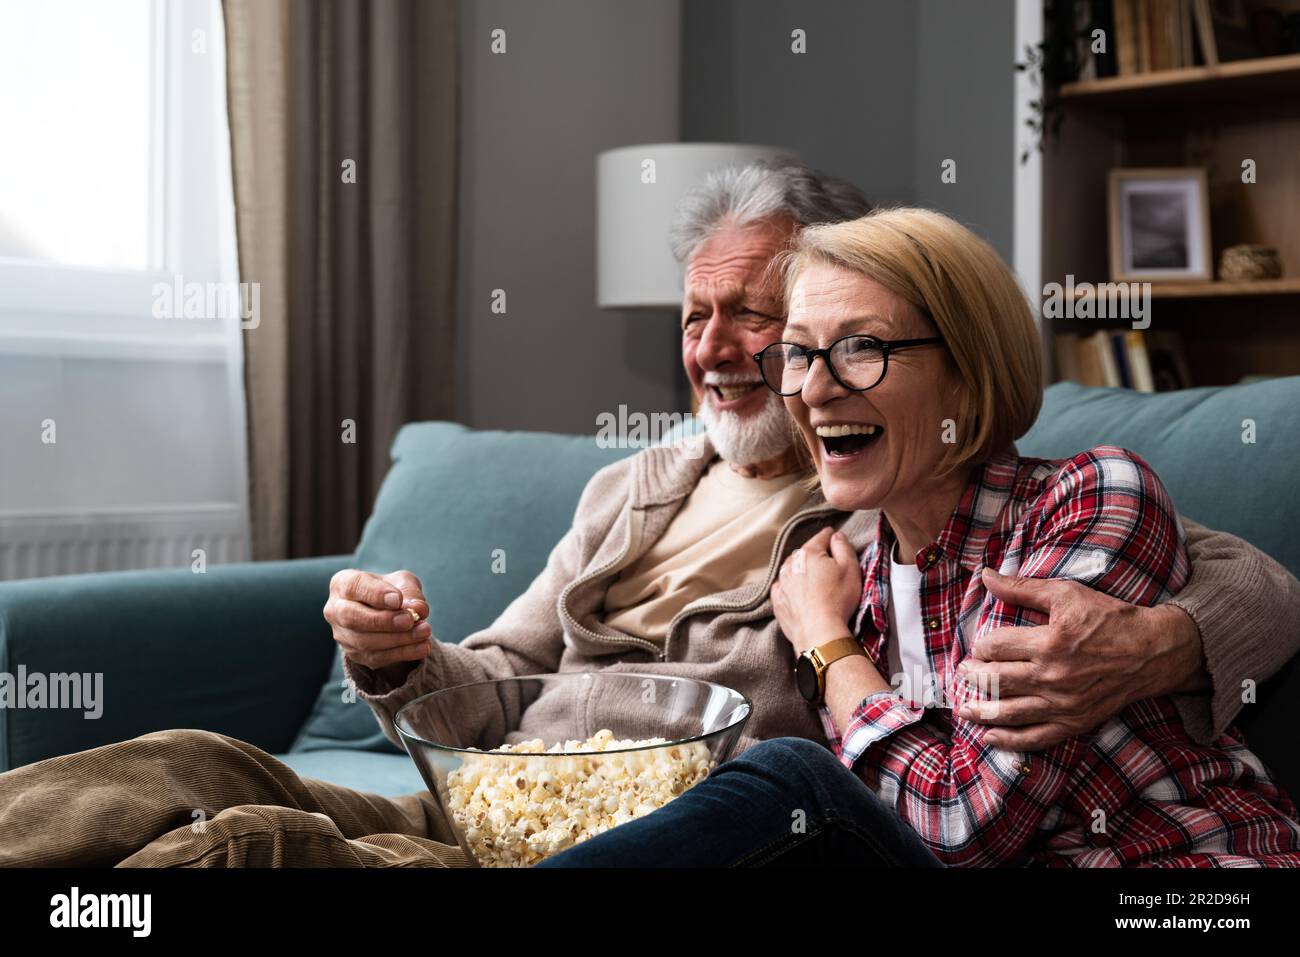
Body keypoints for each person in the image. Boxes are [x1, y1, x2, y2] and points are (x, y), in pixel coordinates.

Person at [0, 167, 1296, 867]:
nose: (734, 352)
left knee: (244, 846)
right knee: (180, 759)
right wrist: (398, 659)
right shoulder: (638, 485)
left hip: (626, 825)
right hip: (481, 793)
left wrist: (1171, 642)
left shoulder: (879, 510)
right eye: (699, 316)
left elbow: (1232, 567)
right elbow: (494, 685)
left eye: (773, 320)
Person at [540, 208, 1300, 867]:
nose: (814, 386)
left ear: (967, 375)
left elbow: (965, 824)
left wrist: (826, 647)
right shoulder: (853, 577)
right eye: (799, 353)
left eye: (862, 347)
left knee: (798, 780)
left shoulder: (1087, 496)